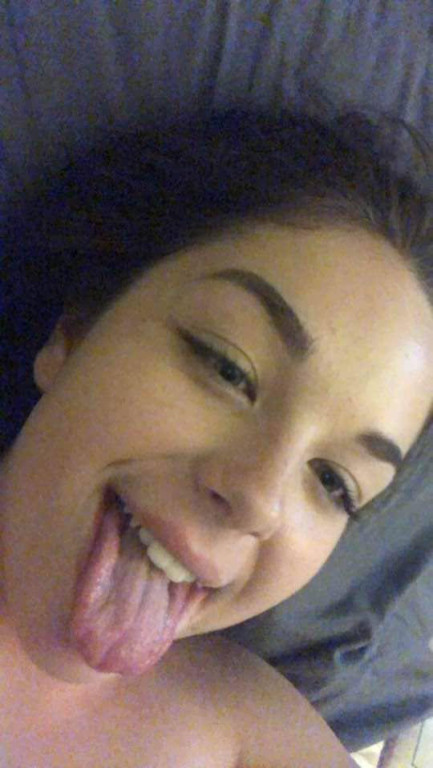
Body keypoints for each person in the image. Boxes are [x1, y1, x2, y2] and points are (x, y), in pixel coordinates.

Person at [0, 108, 431, 766]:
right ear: (77, 331)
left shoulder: (253, 730)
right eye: (229, 369)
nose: (259, 498)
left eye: (333, 484)